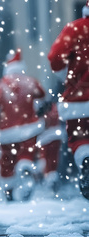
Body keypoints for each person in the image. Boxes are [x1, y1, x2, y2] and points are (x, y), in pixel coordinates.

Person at [0, 50, 45, 201]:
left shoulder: (2, 84)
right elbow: (42, 94)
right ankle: (25, 167)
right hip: (29, 128)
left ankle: (8, 190)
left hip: (7, 131)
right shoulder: (30, 81)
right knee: (26, 153)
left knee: (7, 160)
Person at [48, 1, 89, 200]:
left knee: (79, 139)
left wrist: (66, 75)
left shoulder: (74, 29)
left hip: (78, 99)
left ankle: (86, 160)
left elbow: (55, 57)